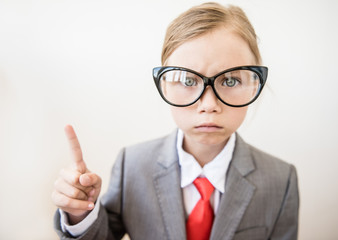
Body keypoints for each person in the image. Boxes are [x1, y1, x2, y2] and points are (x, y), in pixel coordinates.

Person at [52, 2, 299, 240]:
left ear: (254, 85)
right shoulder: (133, 167)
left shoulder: (280, 180)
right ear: (166, 87)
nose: (209, 105)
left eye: (231, 81)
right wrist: (80, 212)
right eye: (189, 81)